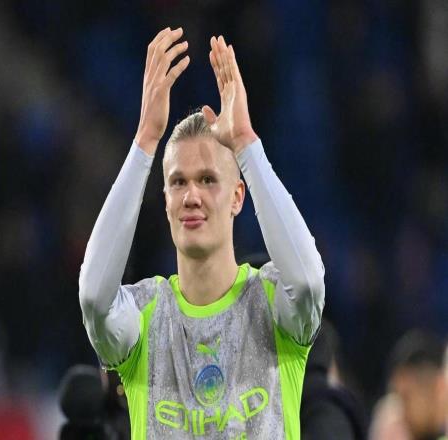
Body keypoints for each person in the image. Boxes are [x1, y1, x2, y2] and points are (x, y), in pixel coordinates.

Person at [79, 27, 325, 439]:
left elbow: (307, 281)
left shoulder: (272, 305)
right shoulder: (144, 316)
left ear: (237, 197)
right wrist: (145, 141)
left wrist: (245, 143)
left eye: (208, 179)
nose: (191, 196)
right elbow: (93, 299)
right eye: (178, 182)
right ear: (166, 201)